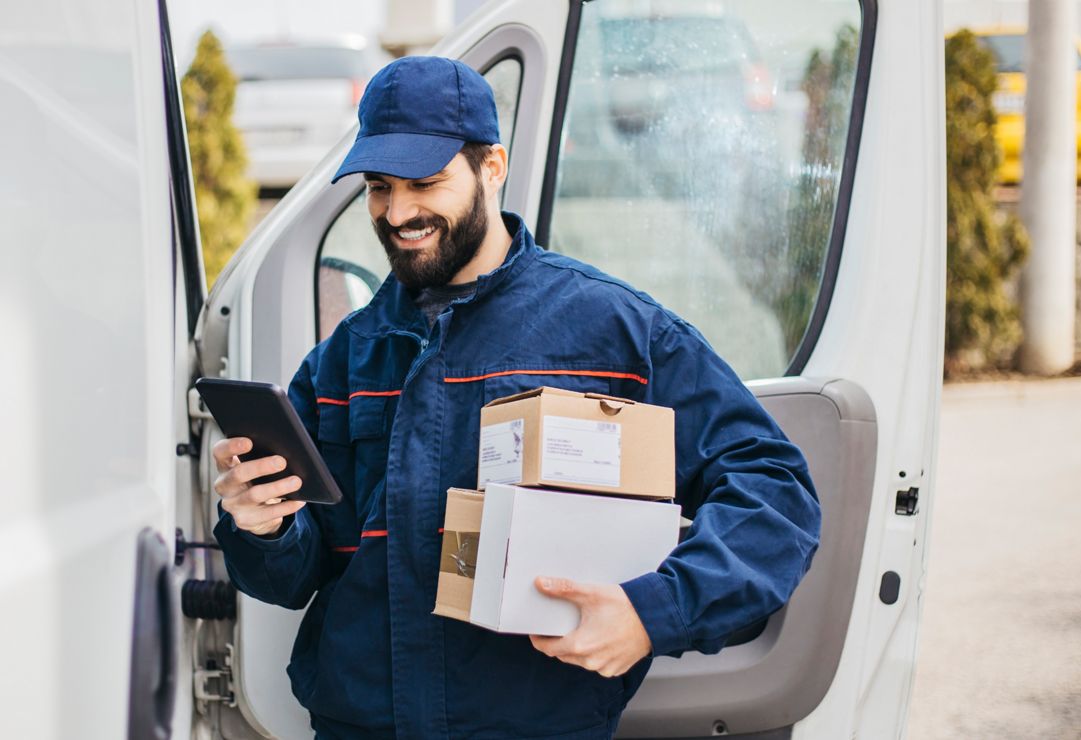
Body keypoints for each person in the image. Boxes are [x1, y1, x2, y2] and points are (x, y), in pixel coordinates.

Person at [211, 56, 820, 739]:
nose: (398, 211)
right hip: (357, 724)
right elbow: (294, 578)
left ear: (492, 166)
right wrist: (262, 529)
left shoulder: (613, 331)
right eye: (379, 187)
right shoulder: (345, 358)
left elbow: (776, 492)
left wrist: (655, 612)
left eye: (425, 182)